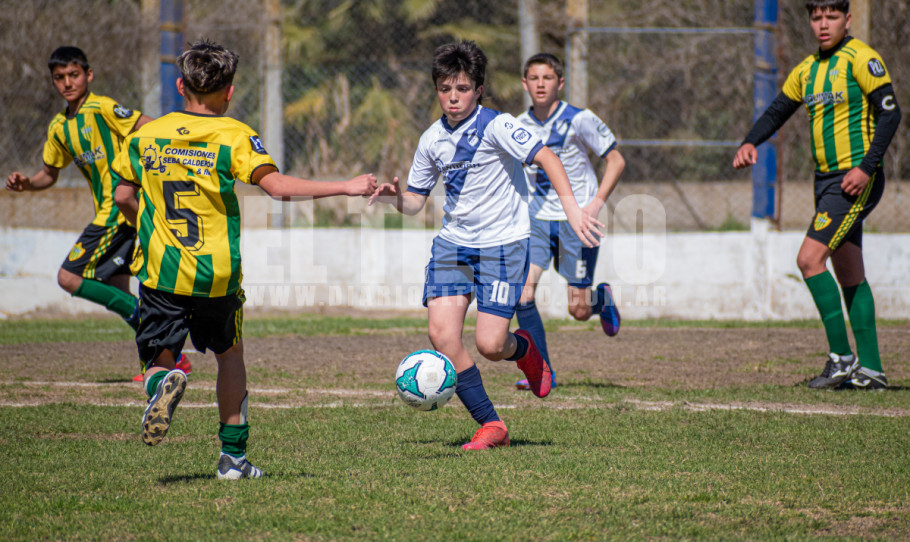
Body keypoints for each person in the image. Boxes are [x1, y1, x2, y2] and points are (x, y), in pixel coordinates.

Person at [113, 38, 377, 479]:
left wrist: (150, 225)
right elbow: (277, 188)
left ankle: (161, 384)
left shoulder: (145, 136)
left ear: (180, 85)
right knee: (229, 354)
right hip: (217, 273)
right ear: (229, 91)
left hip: (162, 268)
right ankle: (233, 460)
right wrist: (346, 186)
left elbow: (123, 194)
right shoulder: (234, 135)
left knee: (159, 355)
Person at [370, 40, 603, 450]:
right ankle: (491, 424)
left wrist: (573, 210)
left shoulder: (498, 125)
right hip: (453, 247)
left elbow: (547, 156)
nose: (453, 97)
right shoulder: (431, 140)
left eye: (461, 88)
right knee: (442, 336)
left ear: (478, 89)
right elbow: (415, 202)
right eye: (445, 89)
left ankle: (526, 350)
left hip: (503, 246)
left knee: (491, 345)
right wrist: (393, 196)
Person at [733, 0, 901, 390]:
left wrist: (865, 168)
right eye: (816, 17)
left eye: (831, 16)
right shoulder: (807, 69)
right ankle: (872, 370)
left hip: (854, 178)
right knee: (848, 272)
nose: (823, 24)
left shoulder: (862, 58)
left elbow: (891, 115)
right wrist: (750, 140)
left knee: (809, 260)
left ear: (847, 19)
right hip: (826, 180)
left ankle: (842, 359)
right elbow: (778, 109)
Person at [4, 46, 191, 378]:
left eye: (73, 75)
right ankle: (169, 362)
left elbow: (149, 127)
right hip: (115, 213)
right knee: (118, 287)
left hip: (118, 212)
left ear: (88, 75)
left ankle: (147, 321)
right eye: (59, 77)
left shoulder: (102, 108)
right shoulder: (59, 127)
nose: (67, 83)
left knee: (68, 277)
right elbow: (50, 174)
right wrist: (26, 183)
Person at [513, 53, 625, 391]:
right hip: (535, 220)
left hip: (577, 221)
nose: (541, 84)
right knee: (522, 294)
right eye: (534, 78)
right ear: (525, 84)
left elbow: (616, 160)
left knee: (577, 309)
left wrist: (594, 205)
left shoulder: (579, 119)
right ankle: (542, 371)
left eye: (548, 78)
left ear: (560, 82)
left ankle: (600, 301)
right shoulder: (517, 124)